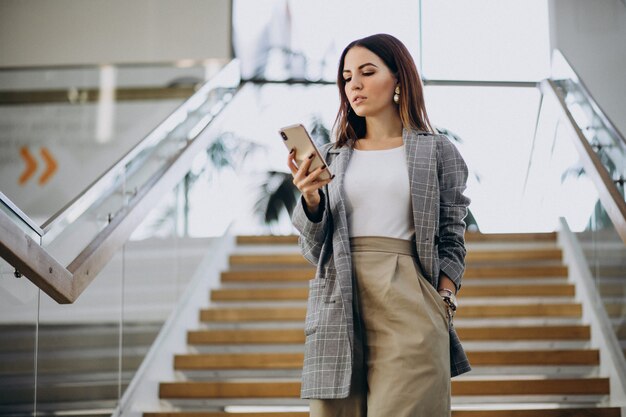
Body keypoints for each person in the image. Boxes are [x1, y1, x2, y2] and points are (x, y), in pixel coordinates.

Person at [288, 33, 471, 417]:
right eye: (347, 76)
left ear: (399, 80)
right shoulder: (332, 156)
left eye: (367, 72)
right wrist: (310, 199)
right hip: (338, 301)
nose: (354, 83)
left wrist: (445, 297)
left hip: (409, 301)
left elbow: (453, 232)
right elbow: (311, 250)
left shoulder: (436, 150)